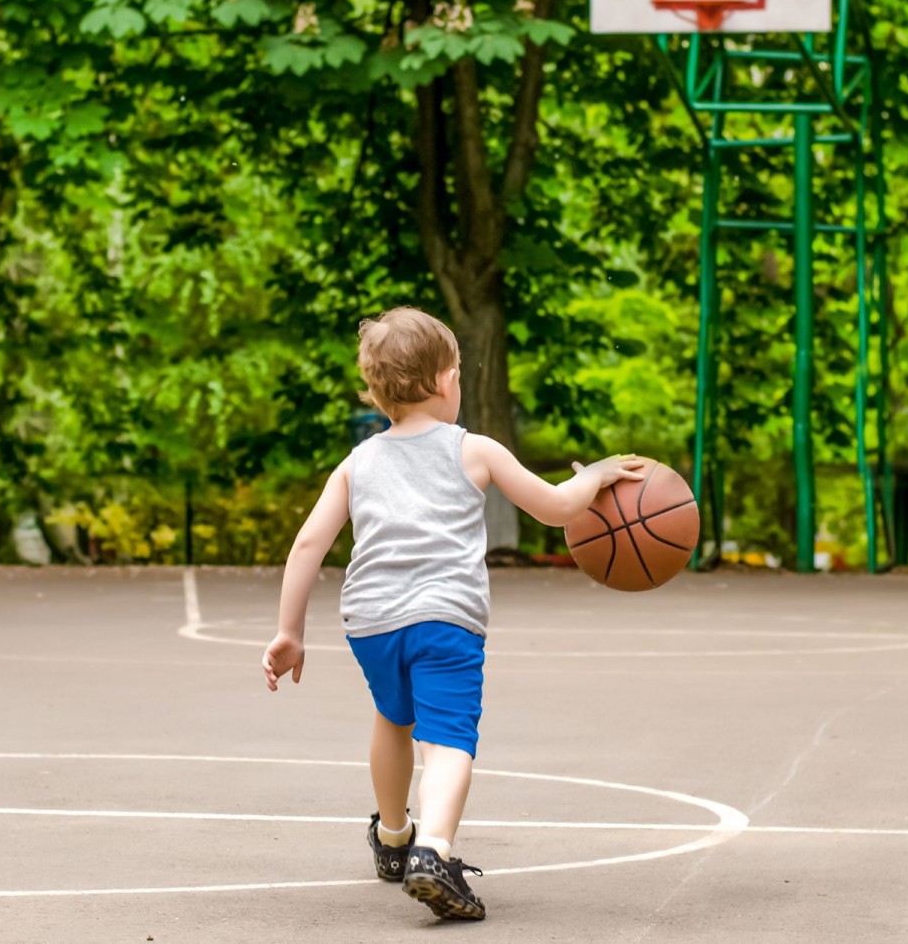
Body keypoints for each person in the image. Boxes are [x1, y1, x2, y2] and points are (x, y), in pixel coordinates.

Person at [261, 306, 644, 921]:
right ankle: (434, 853)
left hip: (371, 622)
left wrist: (289, 631)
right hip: (444, 619)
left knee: (394, 718)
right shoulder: (475, 450)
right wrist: (596, 476)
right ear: (445, 381)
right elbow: (554, 508)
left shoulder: (358, 463)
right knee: (447, 741)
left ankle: (393, 840)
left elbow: (308, 544)